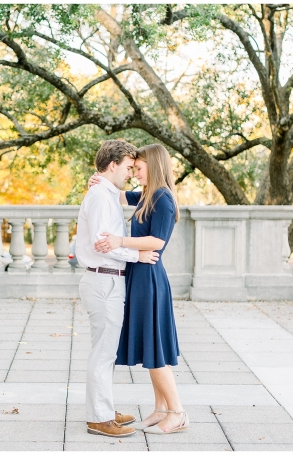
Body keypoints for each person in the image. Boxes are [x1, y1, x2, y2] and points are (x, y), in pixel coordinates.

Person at [90, 143, 188, 434]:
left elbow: (158, 242)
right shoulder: (147, 195)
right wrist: (98, 180)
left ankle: (178, 412)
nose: (134, 174)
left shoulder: (162, 199)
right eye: (132, 169)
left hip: (149, 278)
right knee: (150, 347)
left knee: (154, 349)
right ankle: (160, 410)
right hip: (140, 275)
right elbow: (118, 193)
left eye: (139, 168)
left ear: (154, 167)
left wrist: (119, 242)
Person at [76, 140, 160, 438]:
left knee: (106, 351)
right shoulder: (100, 196)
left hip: (108, 279)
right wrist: (137, 255)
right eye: (127, 167)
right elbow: (103, 243)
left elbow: (144, 197)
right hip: (104, 278)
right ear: (112, 165)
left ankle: (104, 410)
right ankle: (99, 418)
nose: (130, 173)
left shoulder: (107, 193)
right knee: (103, 352)